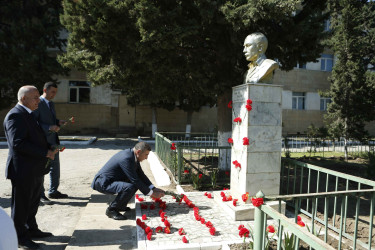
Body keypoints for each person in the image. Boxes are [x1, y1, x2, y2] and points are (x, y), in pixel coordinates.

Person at [4, 85, 57, 249]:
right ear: (22, 99)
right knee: (21, 206)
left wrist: (48, 148)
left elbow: (35, 136)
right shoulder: (15, 116)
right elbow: (18, 143)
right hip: (23, 170)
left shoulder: (28, 114)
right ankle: (20, 237)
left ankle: (31, 229)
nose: (38, 101)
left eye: (37, 97)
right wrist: (45, 152)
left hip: (34, 168)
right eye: (34, 97)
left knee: (33, 202)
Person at [91, 142, 165, 220]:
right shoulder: (127, 158)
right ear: (138, 152)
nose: (146, 158)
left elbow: (140, 174)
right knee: (129, 187)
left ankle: (120, 206)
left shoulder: (132, 156)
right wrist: (151, 193)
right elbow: (135, 179)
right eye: (146, 155)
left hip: (111, 180)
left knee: (134, 185)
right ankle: (112, 210)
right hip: (103, 183)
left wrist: (153, 188)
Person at [33, 82, 68, 202]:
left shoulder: (51, 104)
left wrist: (58, 122)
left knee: (55, 167)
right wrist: (49, 127)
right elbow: (34, 122)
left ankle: (53, 191)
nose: (54, 95)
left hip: (53, 140)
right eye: (52, 92)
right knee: (42, 168)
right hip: (42, 141)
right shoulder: (38, 103)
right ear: (45, 90)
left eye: (55, 92)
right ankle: (40, 194)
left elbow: (51, 119)